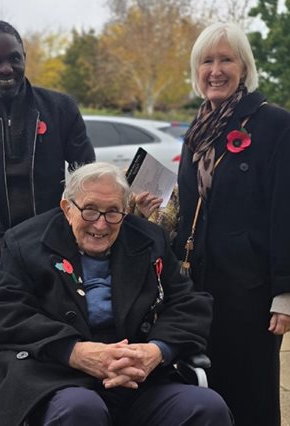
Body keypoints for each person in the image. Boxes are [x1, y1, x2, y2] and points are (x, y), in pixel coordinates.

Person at [0, 162, 233, 426]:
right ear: (67, 209)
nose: (101, 224)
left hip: (137, 376)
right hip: (57, 376)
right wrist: (74, 352)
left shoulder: (149, 239)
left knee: (207, 408)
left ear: (125, 211)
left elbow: (188, 302)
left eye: (113, 212)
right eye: (90, 210)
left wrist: (156, 351)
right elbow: (4, 309)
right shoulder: (25, 242)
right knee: (81, 410)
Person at [136, 22, 290, 426]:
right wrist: (150, 212)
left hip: (249, 289)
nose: (215, 70)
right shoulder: (198, 128)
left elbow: (284, 209)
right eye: (207, 60)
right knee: (206, 387)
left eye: (226, 59)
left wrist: (285, 291)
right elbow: (185, 208)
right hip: (196, 285)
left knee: (252, 390)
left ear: (245, 67)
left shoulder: (274, 124)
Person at [0, 20, 95, 346]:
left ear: (25, 56)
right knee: (0, 353)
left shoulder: (60, 107)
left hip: (53, 255)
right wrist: (7, 251)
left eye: (14, 57)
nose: (6, 68)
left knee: (58, 349)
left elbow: (86, 177)